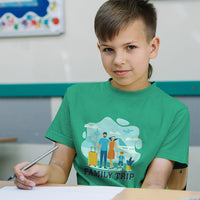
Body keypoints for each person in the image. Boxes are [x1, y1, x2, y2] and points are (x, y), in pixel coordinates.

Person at [13, 0, 190, 190]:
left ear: (152, 47)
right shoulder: (76, 97)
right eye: (108, 49)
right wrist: (44, 173)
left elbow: (154, 184)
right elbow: (59, 169)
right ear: (99, 49)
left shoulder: (174, 112)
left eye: (130, 47)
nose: (118, 60)